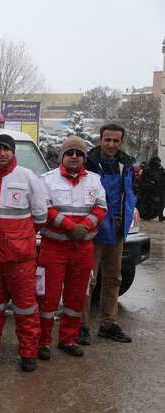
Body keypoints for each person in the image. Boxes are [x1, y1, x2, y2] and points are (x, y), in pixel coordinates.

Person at [0, 134, 47, 372]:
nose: (2, 153)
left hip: (20, 257)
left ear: (13, 152)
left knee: (25, 306)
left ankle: (28, 353)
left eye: (6, 149)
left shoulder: (27, 176)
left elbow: (40, 215)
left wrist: (20, 236)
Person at [36, 136, 107, 360]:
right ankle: (42, 342)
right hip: (53, 248)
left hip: (83, 249)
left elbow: (101, 208)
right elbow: (45, 209)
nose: (74, 157)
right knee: (47, 298)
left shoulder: (95, 181)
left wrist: (83, 228)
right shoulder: (46, 180)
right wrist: (70, 227)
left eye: (79, 153)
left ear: (84, 157)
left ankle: (68, 338)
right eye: (70, 153)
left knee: (76, 298)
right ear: (62, 156)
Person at [78, 124, 136, 345]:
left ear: (121, 143)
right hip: (92, 231)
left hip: (118, 231)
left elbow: (128, 195)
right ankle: (81, 325)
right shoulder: (87, 162)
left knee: (113, 279)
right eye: (107, 140)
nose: (111, 144)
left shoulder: (127, 165)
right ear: (100, 140)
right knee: (87, 281)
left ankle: (108, 324)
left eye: (115, 141)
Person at [138, 156, 165, 221]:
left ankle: (160, 215)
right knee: (150, 203)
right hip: (149, 190)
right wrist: (150, 183)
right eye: (157, 162)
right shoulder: (148, 169)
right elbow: (144, 179)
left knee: (160, 203)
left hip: (159, 189)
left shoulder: (160, 169)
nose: (159, 163)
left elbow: (162, 177)